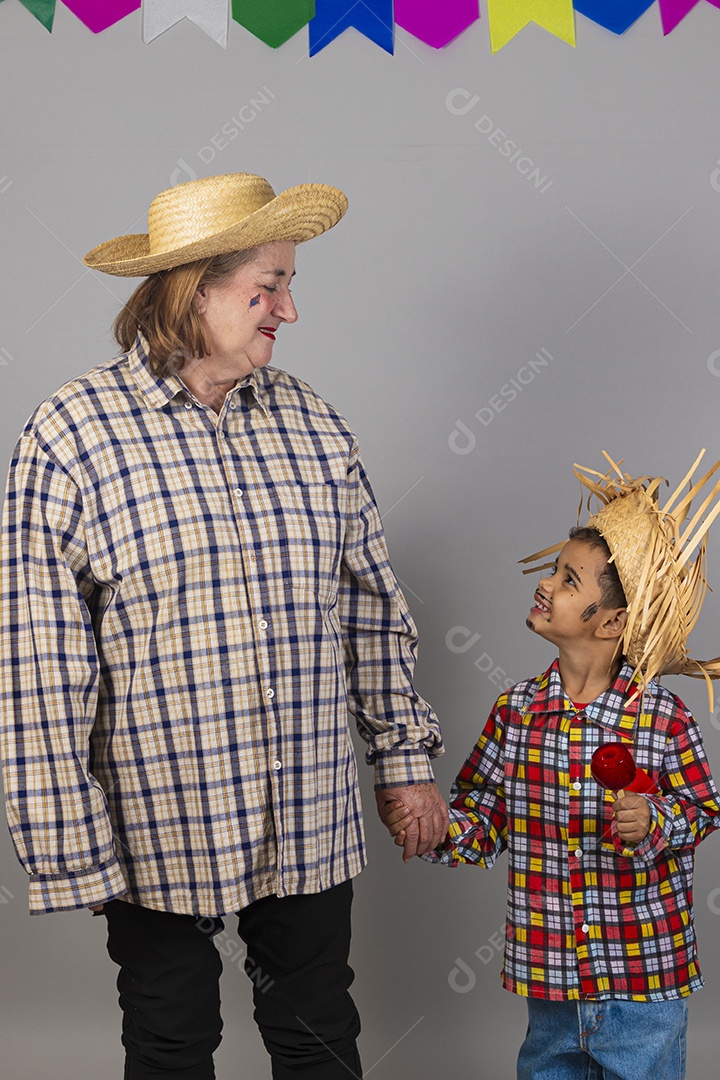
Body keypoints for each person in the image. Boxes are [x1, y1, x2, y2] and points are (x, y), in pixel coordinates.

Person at [0, 172, 448, 1080]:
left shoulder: (313, 424)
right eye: (268, 287)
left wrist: (403, 760)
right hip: (158, 815)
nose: (290, 310)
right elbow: (40, 659)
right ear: (191, 291)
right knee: (170, 1042)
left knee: (319, 1032)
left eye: (289, 285)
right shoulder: (71, 435)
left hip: (306, 808)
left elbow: (370, 606)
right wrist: (69, 847)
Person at [388, 454, 720, 1080]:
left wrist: (655, 820)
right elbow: (484, 818)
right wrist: (433, 828)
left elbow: (702, 809)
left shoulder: (663, 717)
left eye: (569, 581)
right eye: (554, 571)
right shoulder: (516, 712)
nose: (546, 585)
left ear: (613, 621)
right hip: (552, 983)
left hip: (644, 980)